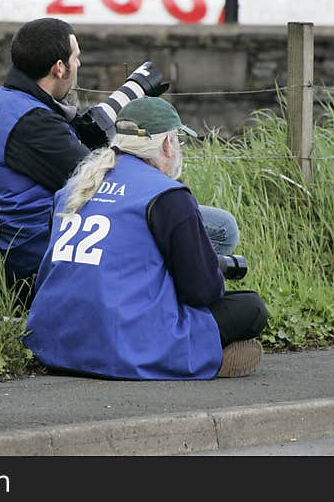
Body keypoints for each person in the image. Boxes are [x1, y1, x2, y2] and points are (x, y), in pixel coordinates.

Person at [0, 17, 240, 307]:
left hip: (46, 239)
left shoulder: (12, 103)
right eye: (76, 58)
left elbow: (74, 163)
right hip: (43, 266)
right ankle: (155, 308)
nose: (80, 65)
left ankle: (156, 294)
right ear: (59, 68)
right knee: (220, 228)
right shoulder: (33, 124)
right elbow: (106, 183)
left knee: (189, 229)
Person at [23, 97, 268, 380]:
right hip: (122, 342)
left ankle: (207, 353)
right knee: (252, 309)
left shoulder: (76, 185)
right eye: (177, 140)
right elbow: (203, 292)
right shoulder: (168, 195)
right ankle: (206, 358)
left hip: (54, 339)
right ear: (167, 144)